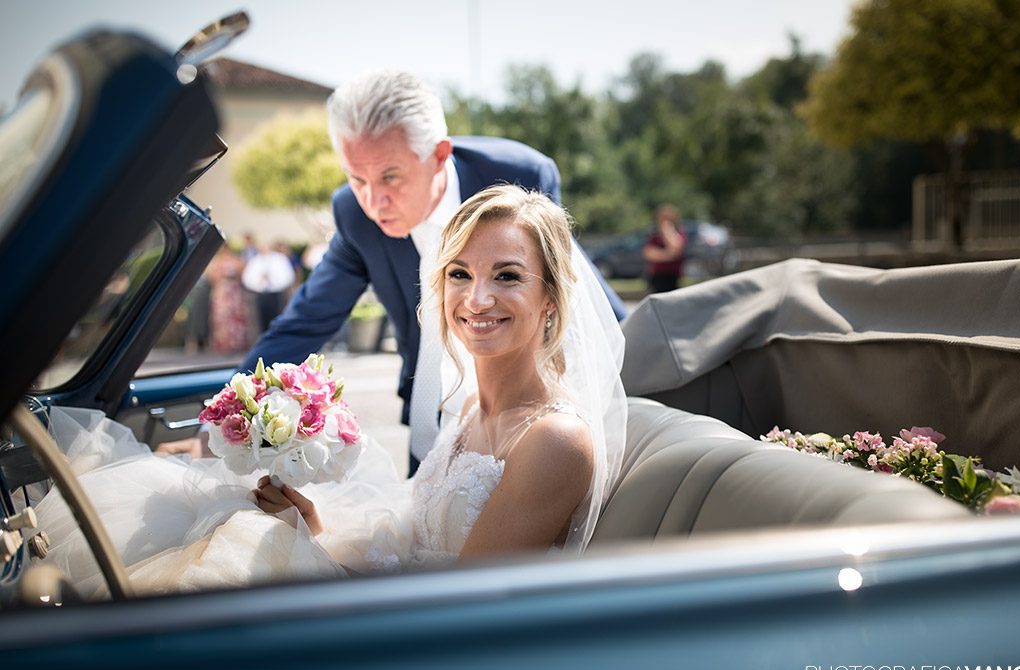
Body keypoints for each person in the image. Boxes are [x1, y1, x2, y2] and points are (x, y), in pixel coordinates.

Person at [31, 186, 627, 595]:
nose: (477, 299)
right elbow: (417, 541)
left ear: (551, 297)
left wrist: (312, 561)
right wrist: (311, 526)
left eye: (508, 276)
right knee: (212, 522)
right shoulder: (472, 404)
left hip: (433, 648)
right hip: (403, 603)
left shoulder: (554, 440)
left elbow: (458, 606)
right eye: (460, 274)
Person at [156, 70, 626, 471]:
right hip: (430, 422)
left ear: (440, 155)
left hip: (526, 425)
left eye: (390, 177)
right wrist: (220, 425)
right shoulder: (356, 215)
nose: (373, 201)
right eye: (356, 178)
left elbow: (579, 304)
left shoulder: (519, 175)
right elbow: (302, 324)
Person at [241, 238, 296, 333]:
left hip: (276, 294)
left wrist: (274, 281)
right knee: (262, 319)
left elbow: (287, 276)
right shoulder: (256, 260)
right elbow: (248, 278)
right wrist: (259, 282)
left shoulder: (279, 259)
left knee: (277, 316)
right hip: (260, 294)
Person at [643, 204, 687, 293]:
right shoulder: (654, 235)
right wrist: (668, 255)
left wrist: (668, 231)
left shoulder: (679, 233)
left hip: (673, 277)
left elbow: (676, 248)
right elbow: (648, 253)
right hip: (656, 277)